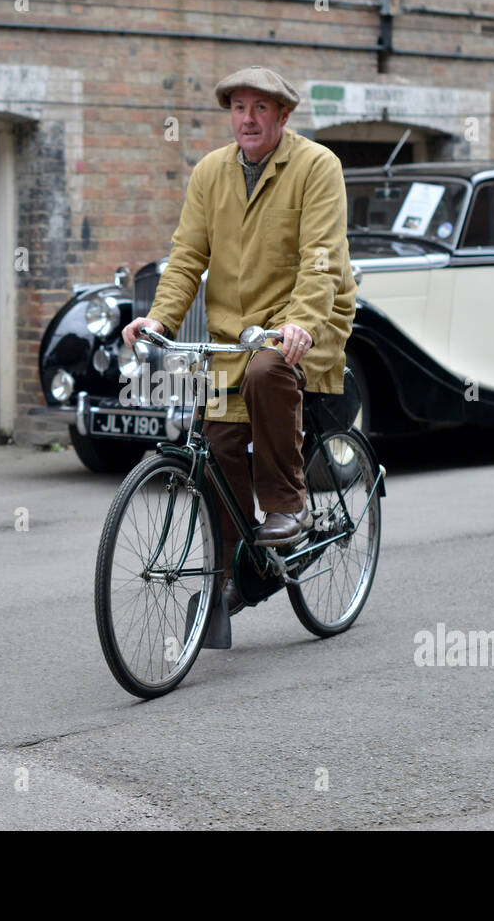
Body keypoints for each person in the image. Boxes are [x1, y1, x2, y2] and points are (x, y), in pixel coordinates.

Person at [121, 65, 357, 611]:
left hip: (307, 325)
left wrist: (300, 322)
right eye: (238, 108)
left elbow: (321, 259)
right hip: (234, 335)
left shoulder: (317, 166)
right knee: (220, 446)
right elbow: (186, 261)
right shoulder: (209, 173)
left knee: (266, 369)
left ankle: (288, 505)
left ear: (283, 114)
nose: (247, 119)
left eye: (260, 108)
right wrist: (160, 321)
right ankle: (235, 575)